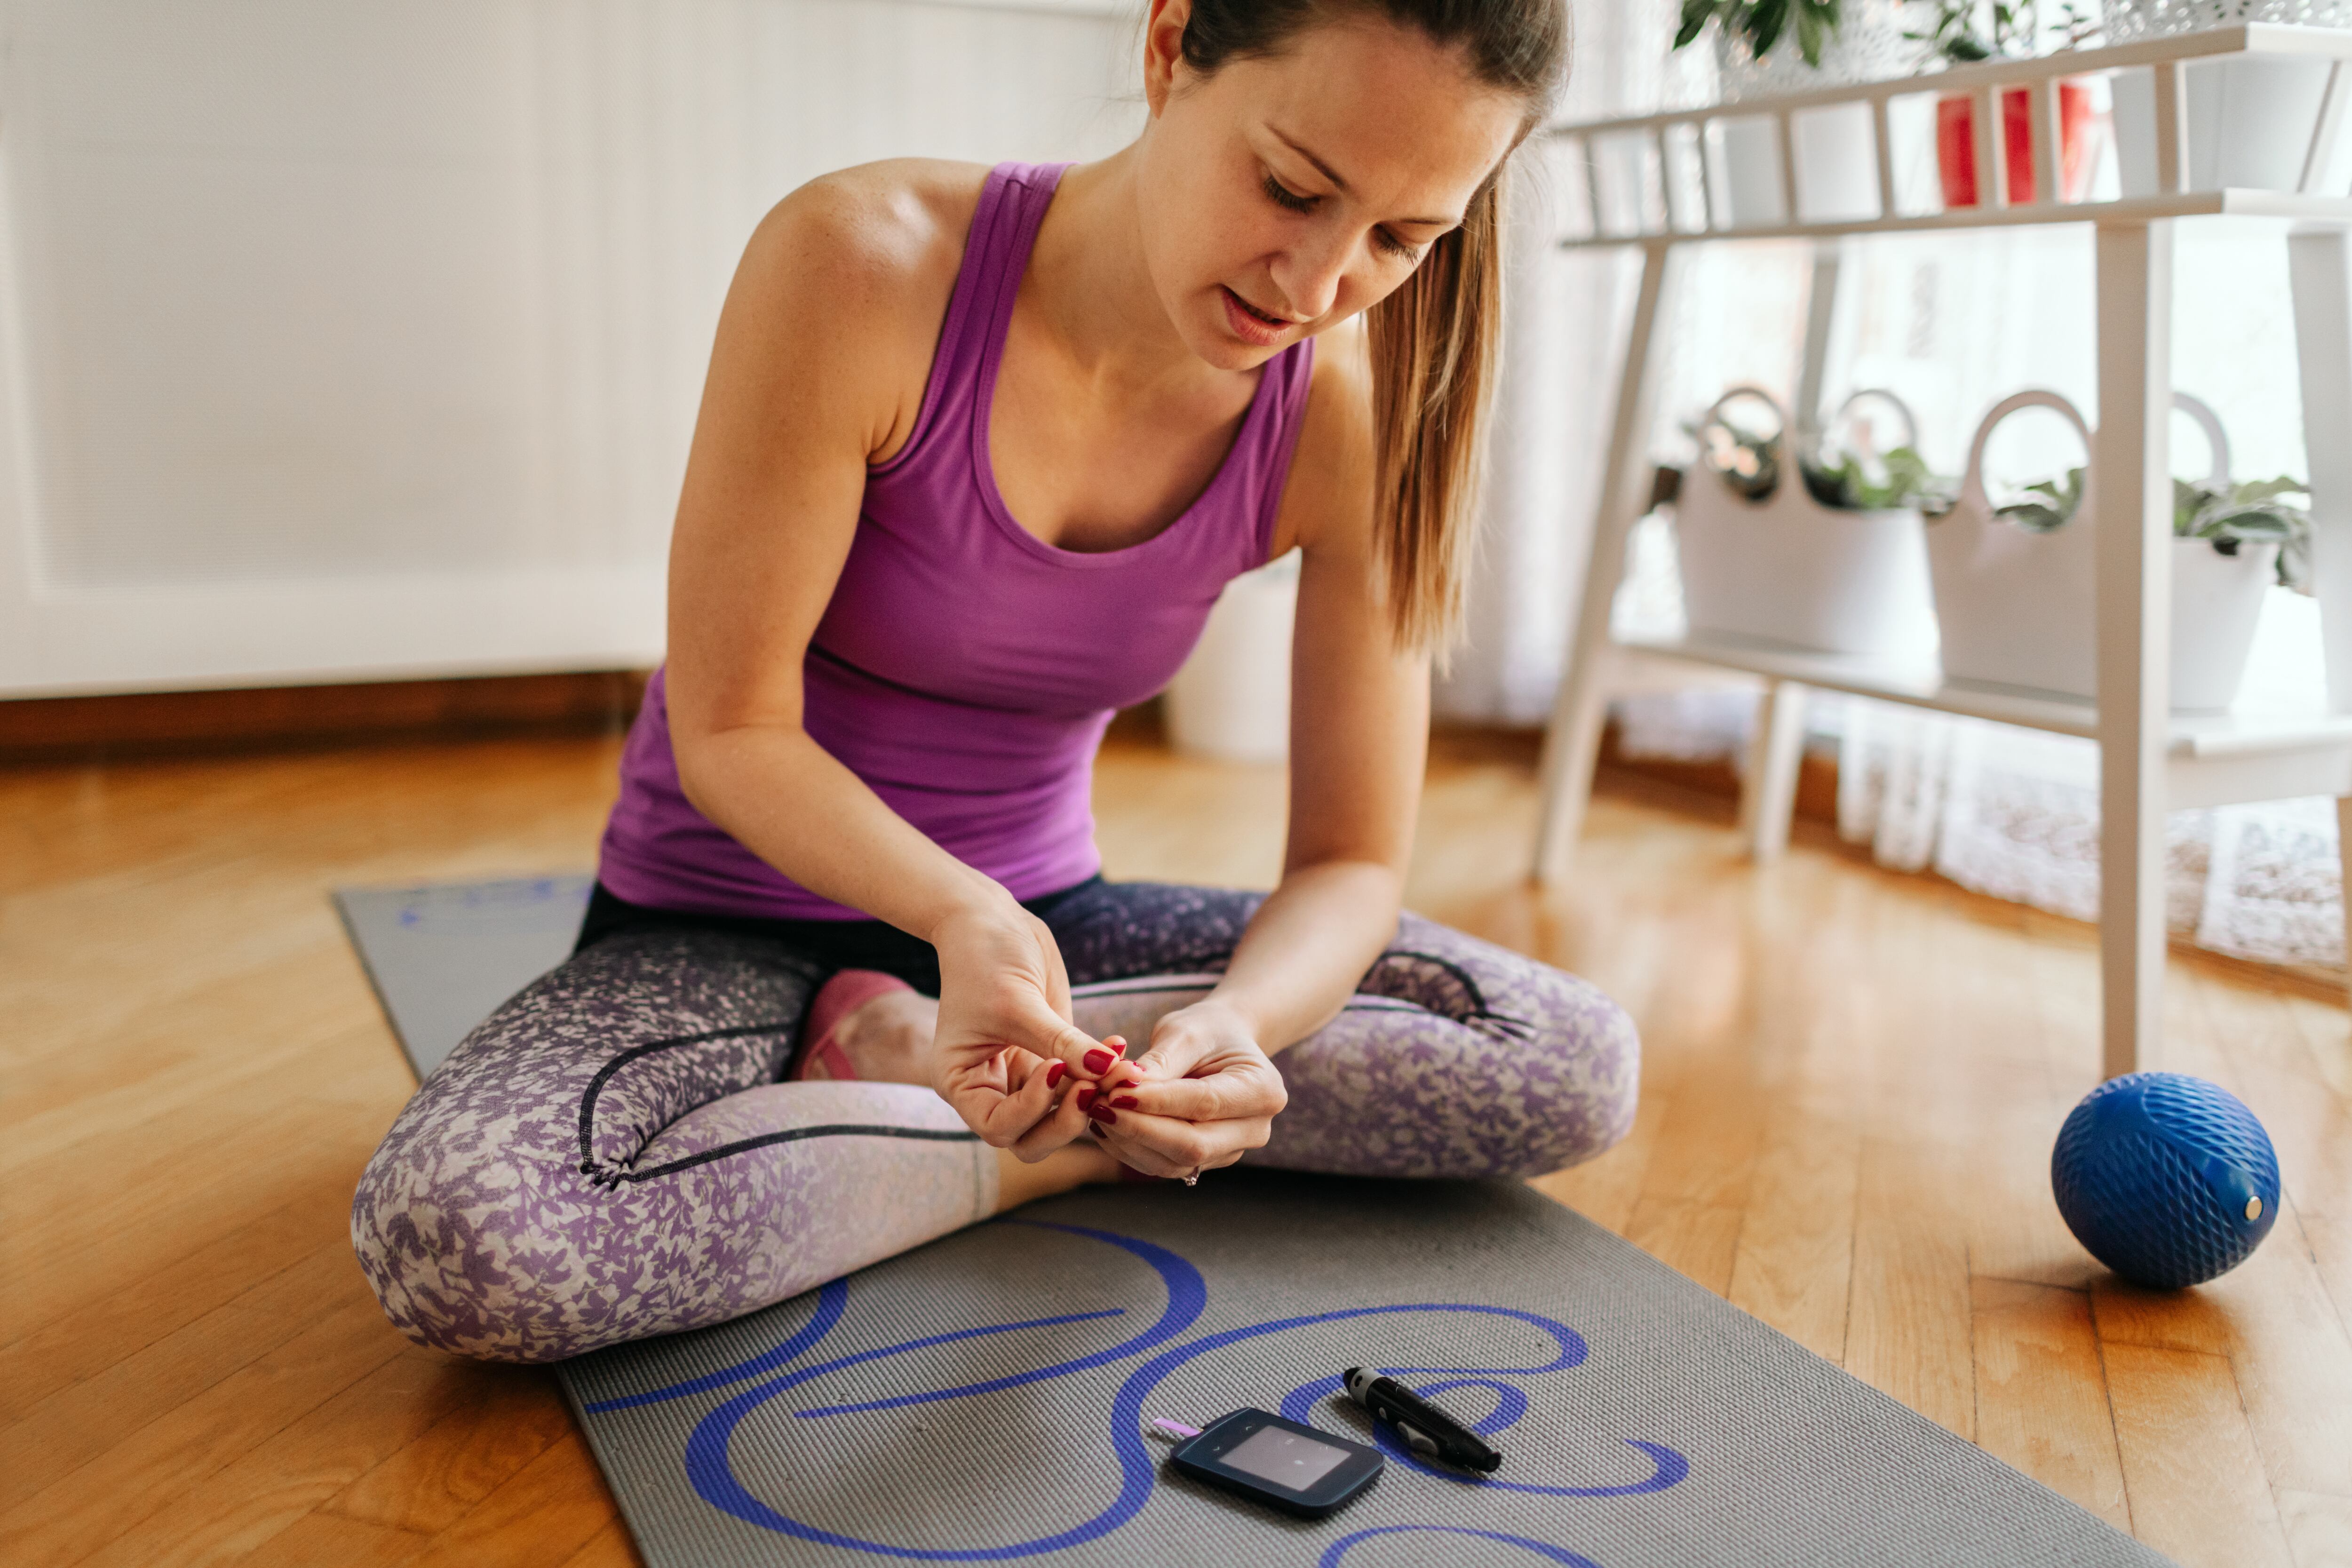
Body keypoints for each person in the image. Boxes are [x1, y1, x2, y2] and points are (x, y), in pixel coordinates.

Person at [352, 0, 1637, 1365]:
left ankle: (971, 1108)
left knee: (1564, 1058)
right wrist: (963, 914)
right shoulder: (860, 266)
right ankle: (1012, 1122)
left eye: (1398, 239)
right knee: (464, 1243)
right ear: (1169, 44)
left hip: (1049, 944)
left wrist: (1235, 1033)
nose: (1317, 285)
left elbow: (1350, 864)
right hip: (720, 920)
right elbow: (733, 728)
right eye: (1292, 186)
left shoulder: (1347, 414)